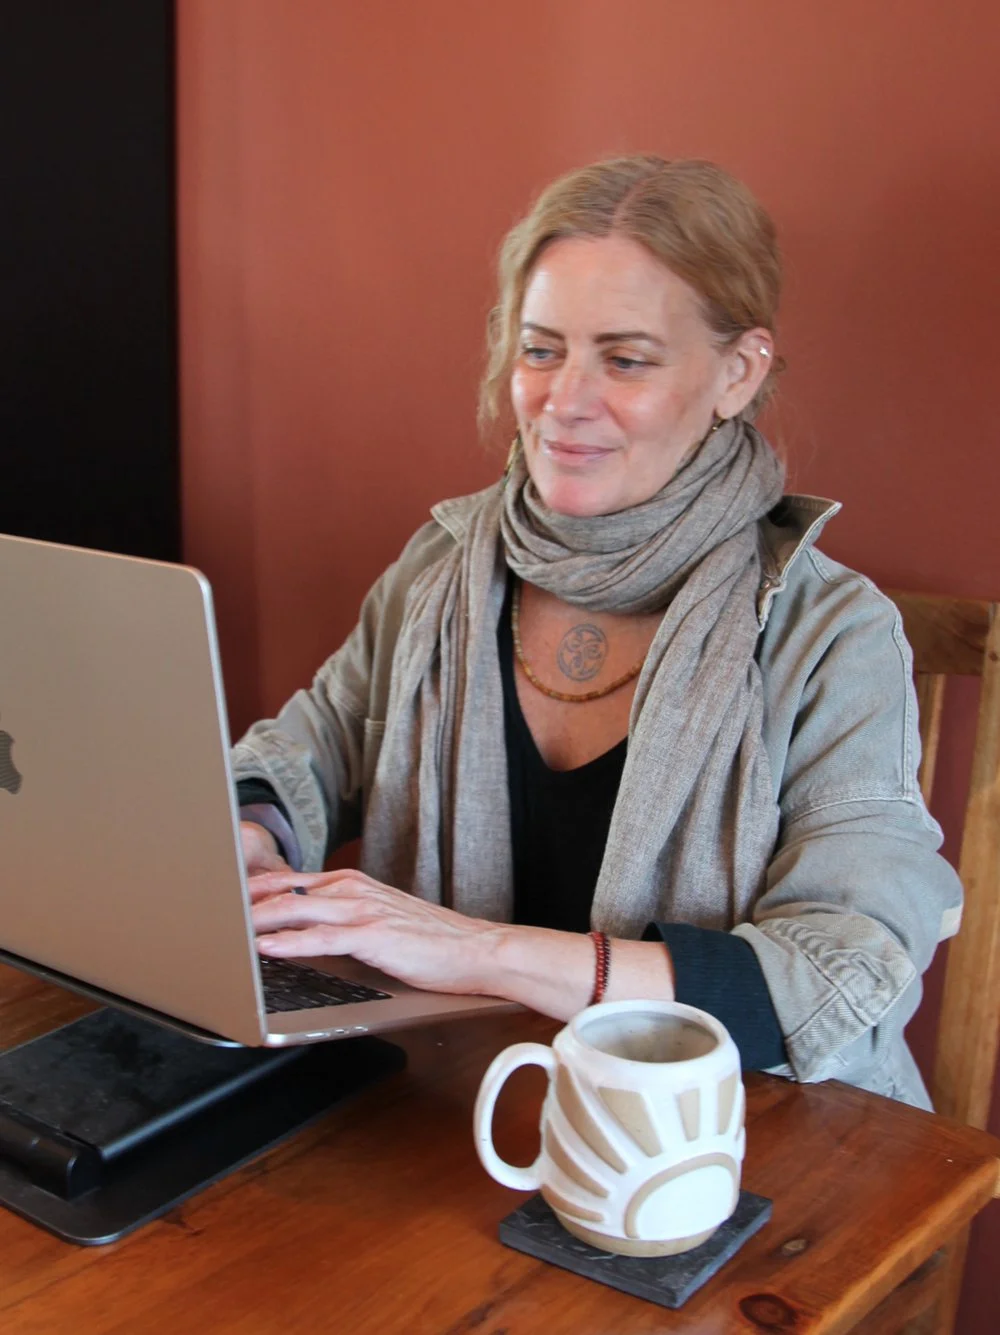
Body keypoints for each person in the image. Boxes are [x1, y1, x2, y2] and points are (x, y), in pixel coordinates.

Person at [234, 156, 961, 1109]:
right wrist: (249, 835)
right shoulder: (445, 566)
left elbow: (833, 974)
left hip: (728, 1140)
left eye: (625, 359)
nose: (564, 401)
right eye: (541, 350)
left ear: (737, 373)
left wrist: (481, 952)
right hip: (460, 1107)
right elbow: (311, 743)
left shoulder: (832, 635)